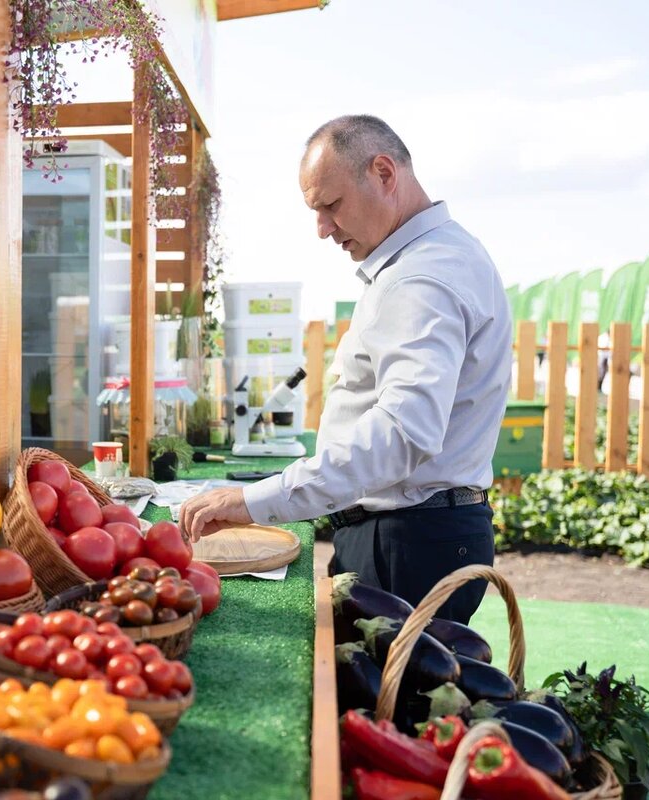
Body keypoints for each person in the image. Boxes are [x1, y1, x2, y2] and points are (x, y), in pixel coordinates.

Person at [180, 116, 511, 623]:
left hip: (406, 541)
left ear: (383, 173)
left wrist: (257, 500)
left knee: (389, 699)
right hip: (414, 532)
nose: (322, 229)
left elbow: (401, 433)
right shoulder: (437, 257)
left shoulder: (421, 277)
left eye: (331, 206)